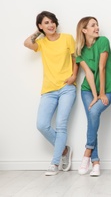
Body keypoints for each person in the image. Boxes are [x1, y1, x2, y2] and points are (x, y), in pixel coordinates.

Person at [24, 11, 78, 176]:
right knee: (42, 125)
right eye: (46, 23)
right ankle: (64, 150)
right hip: (48, 90)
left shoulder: (67, 38)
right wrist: (38, 33)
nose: (50, 25)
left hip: (67, 88)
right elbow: (26, 43)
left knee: (61, 125)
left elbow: (77, 58)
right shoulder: (41, 42)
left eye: (52, 21)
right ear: (40, 26)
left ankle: (54, 163)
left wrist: (74, 75)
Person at [75, 17, 111, 177]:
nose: (97, 27)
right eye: (93, 25)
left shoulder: (103, 41)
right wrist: (94, 95)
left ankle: (87, 153)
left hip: (107, 90)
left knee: (93, 115)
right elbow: (89, 74)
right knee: (93, 118)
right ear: (84, 30)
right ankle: (96, 163)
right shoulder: (80, 50)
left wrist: (101, 94)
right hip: (87, 90)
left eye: (97, 24)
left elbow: (102, 67)